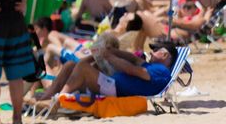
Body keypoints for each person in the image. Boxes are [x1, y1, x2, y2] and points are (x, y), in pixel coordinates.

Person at [36, 38, 178, 100]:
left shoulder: (162, 72)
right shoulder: (152, 66)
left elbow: (134, 70)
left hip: (116, 90)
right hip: (112, 85)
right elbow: (134, 59)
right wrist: (110, 51)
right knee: (70, 65)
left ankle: (59, 100)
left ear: (164, 54)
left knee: (83, 68)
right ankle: (47, 97)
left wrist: (109, 57)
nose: (151, 52)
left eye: (155, 50)